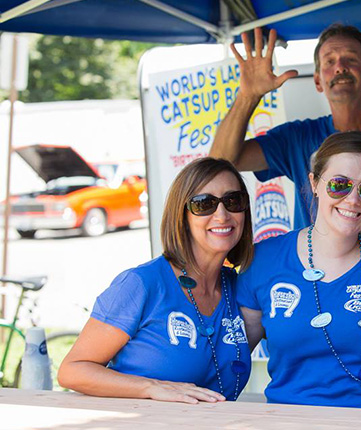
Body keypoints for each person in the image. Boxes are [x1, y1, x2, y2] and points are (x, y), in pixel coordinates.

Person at [236, 131, 361, 409]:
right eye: (339, 185)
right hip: (294, 420)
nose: (353, 200)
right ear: (314, 183)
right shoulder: (264, 260)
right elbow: (231, 359)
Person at [58, 158, 253, 403]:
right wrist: (151, 387)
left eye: (233, 201)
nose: (222, 214)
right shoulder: (141, 284)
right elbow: (72, 370)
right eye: (204, 204)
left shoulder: (239, 287)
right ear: (181, 215)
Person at [209, 24, 361, 248]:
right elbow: (219, 163)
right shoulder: (297, 137)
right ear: (318, 81)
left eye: (350, 59)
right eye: (329, 61)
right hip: (313, 278)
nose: (340, 67)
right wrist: (248, 96)